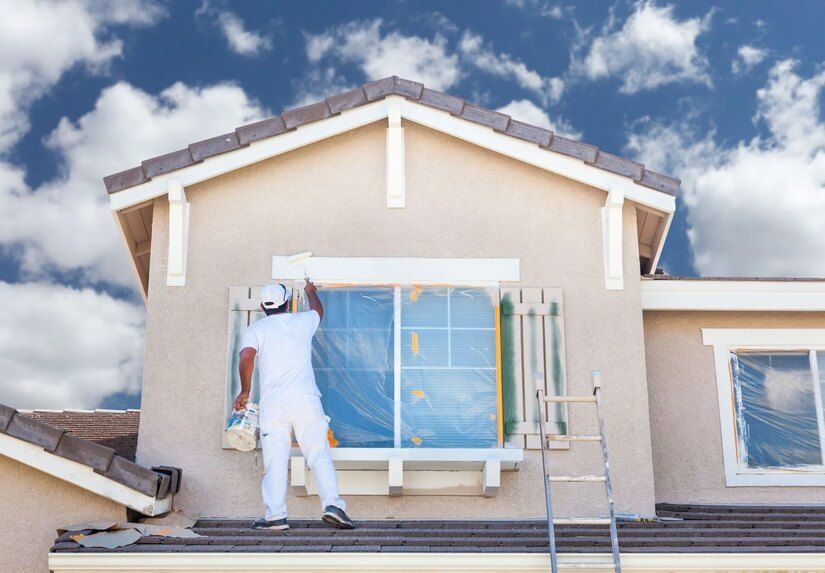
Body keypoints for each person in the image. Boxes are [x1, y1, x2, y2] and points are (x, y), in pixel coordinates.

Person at [233, 281, 354, 530]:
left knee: (275, 460)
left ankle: (275, 516)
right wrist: (311, 292)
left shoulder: (256, 329)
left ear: (261, 307)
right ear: (287, 304)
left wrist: (245, 391)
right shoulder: (301, 322)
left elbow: (246, 357)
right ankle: (333, 506)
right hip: (305, 400)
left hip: (273, 404)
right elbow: (318, 311)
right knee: (318, 453)